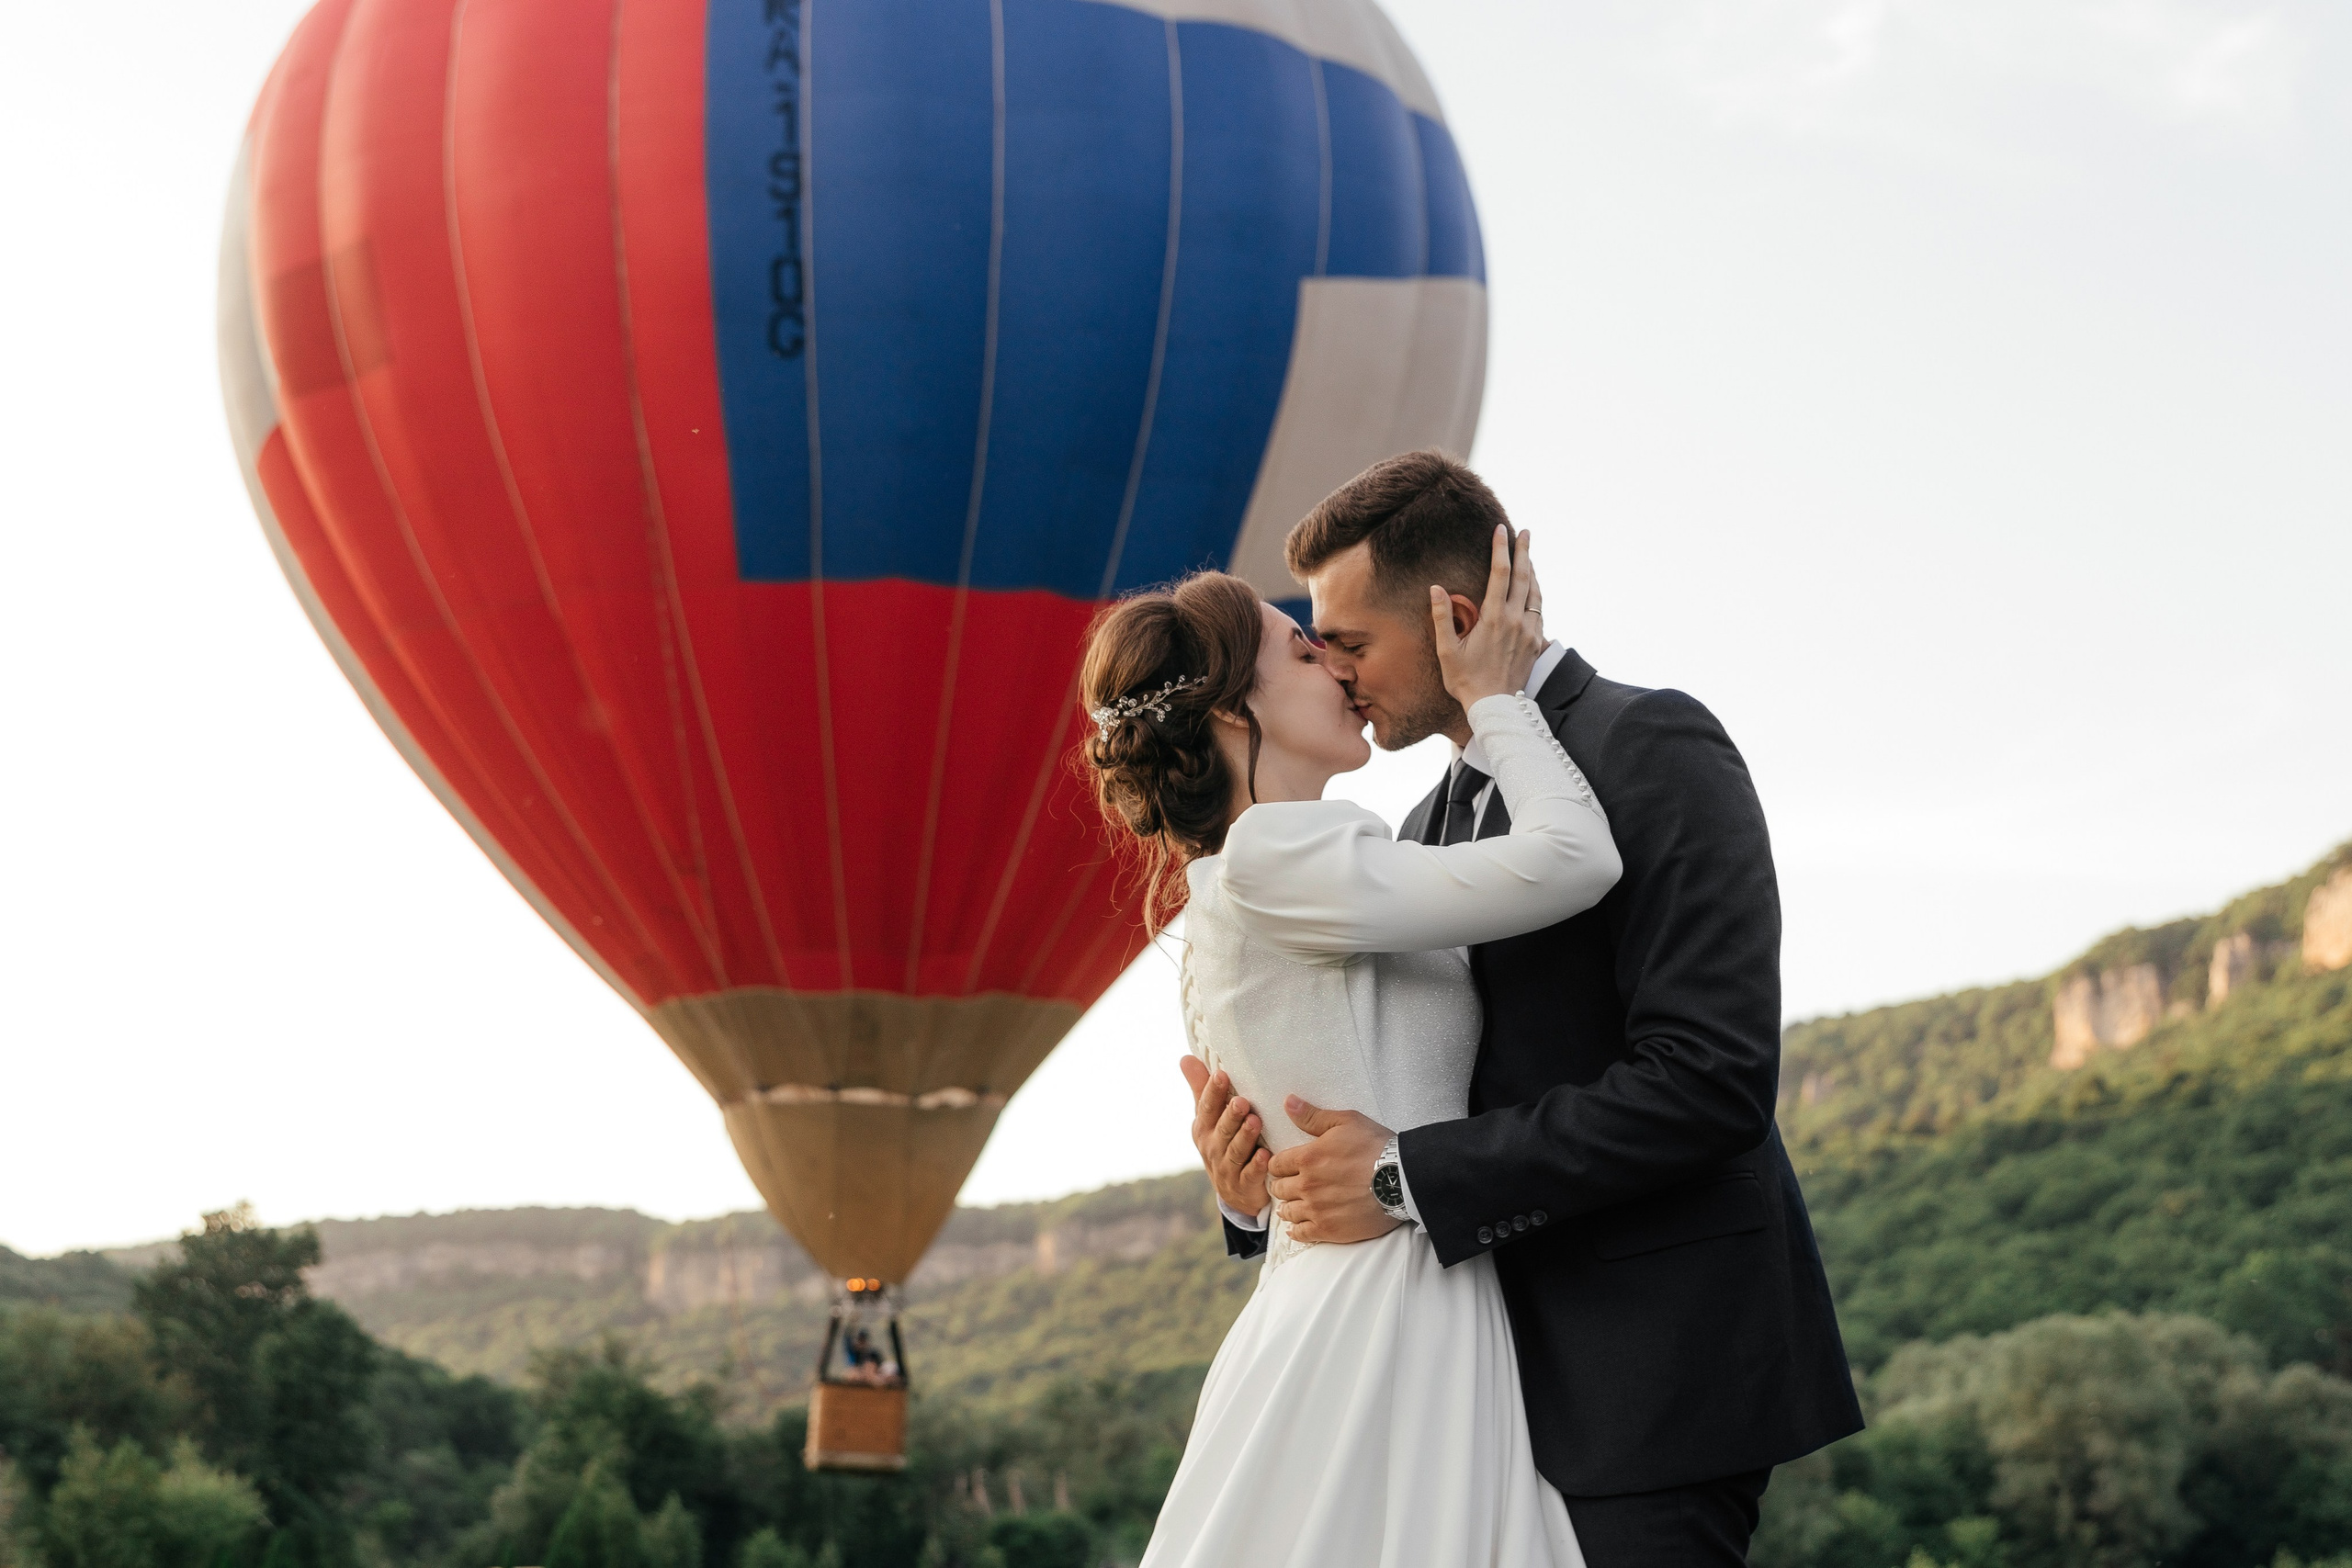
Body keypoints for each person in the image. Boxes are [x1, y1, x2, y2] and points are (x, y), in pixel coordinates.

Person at [1186, 451, 1864, 1565]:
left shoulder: (1651, 747)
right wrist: (1260, 1186)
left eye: (1349, 644)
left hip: (1646, 1374)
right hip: (1460, 1381)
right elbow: (1380, 1080)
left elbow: (1709, 1079)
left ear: (1454, 617)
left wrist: (1405, 1177)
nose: (1338, 674)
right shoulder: (1415, 830)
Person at [1080, 529, 1617, 1567]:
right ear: (1236, 712)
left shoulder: (1238, 886)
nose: (1331, 662)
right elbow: (1576, 857)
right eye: (1297, 652)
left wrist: (1244, 1201)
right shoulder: (1284, 853)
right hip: (1394, 1313)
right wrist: (1499, 699)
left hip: (1346, 1299)